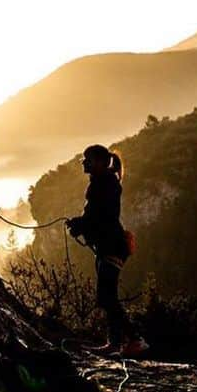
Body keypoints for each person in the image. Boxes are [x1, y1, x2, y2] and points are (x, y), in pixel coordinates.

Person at [67, 145, 148, 357]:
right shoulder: (104, 183)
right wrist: (81, 224)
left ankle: (134, 339)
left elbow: (100, 216)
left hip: (112, 245)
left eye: (88, 160)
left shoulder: (105, 185)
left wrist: (80, 224)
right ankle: (116, 343)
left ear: (101, 162)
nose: (84, 163)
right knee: (106, 295)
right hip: (108, 246)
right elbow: (96, 215)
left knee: (107, 296)